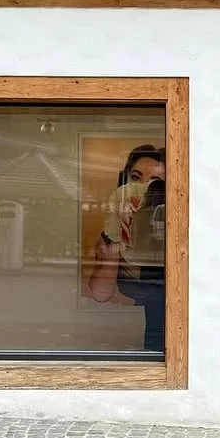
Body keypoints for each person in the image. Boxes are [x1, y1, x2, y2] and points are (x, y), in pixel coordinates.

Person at [86, 145, 166, 354]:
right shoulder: (113, 234)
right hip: (128, 346)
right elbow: (100, 294)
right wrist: (116, 238)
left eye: (154, 182)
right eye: (136, 178)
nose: (142, 188)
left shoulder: (178, 235)